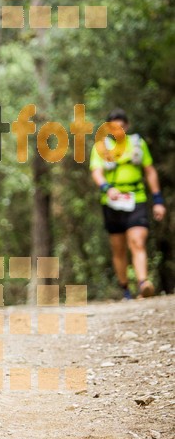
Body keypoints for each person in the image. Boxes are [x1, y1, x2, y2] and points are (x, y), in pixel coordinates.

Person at [89, 108, 166, 299]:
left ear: (127, 126)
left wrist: (158, 200)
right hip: (112, 202)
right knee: (118, 247)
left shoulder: (137, 144)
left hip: (136, 198)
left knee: (137, 241)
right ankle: (125, 288)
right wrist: (107, 188)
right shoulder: (101, 148)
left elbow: (150, 171)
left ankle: (143, 283)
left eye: (122, 126)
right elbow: (96, 172)